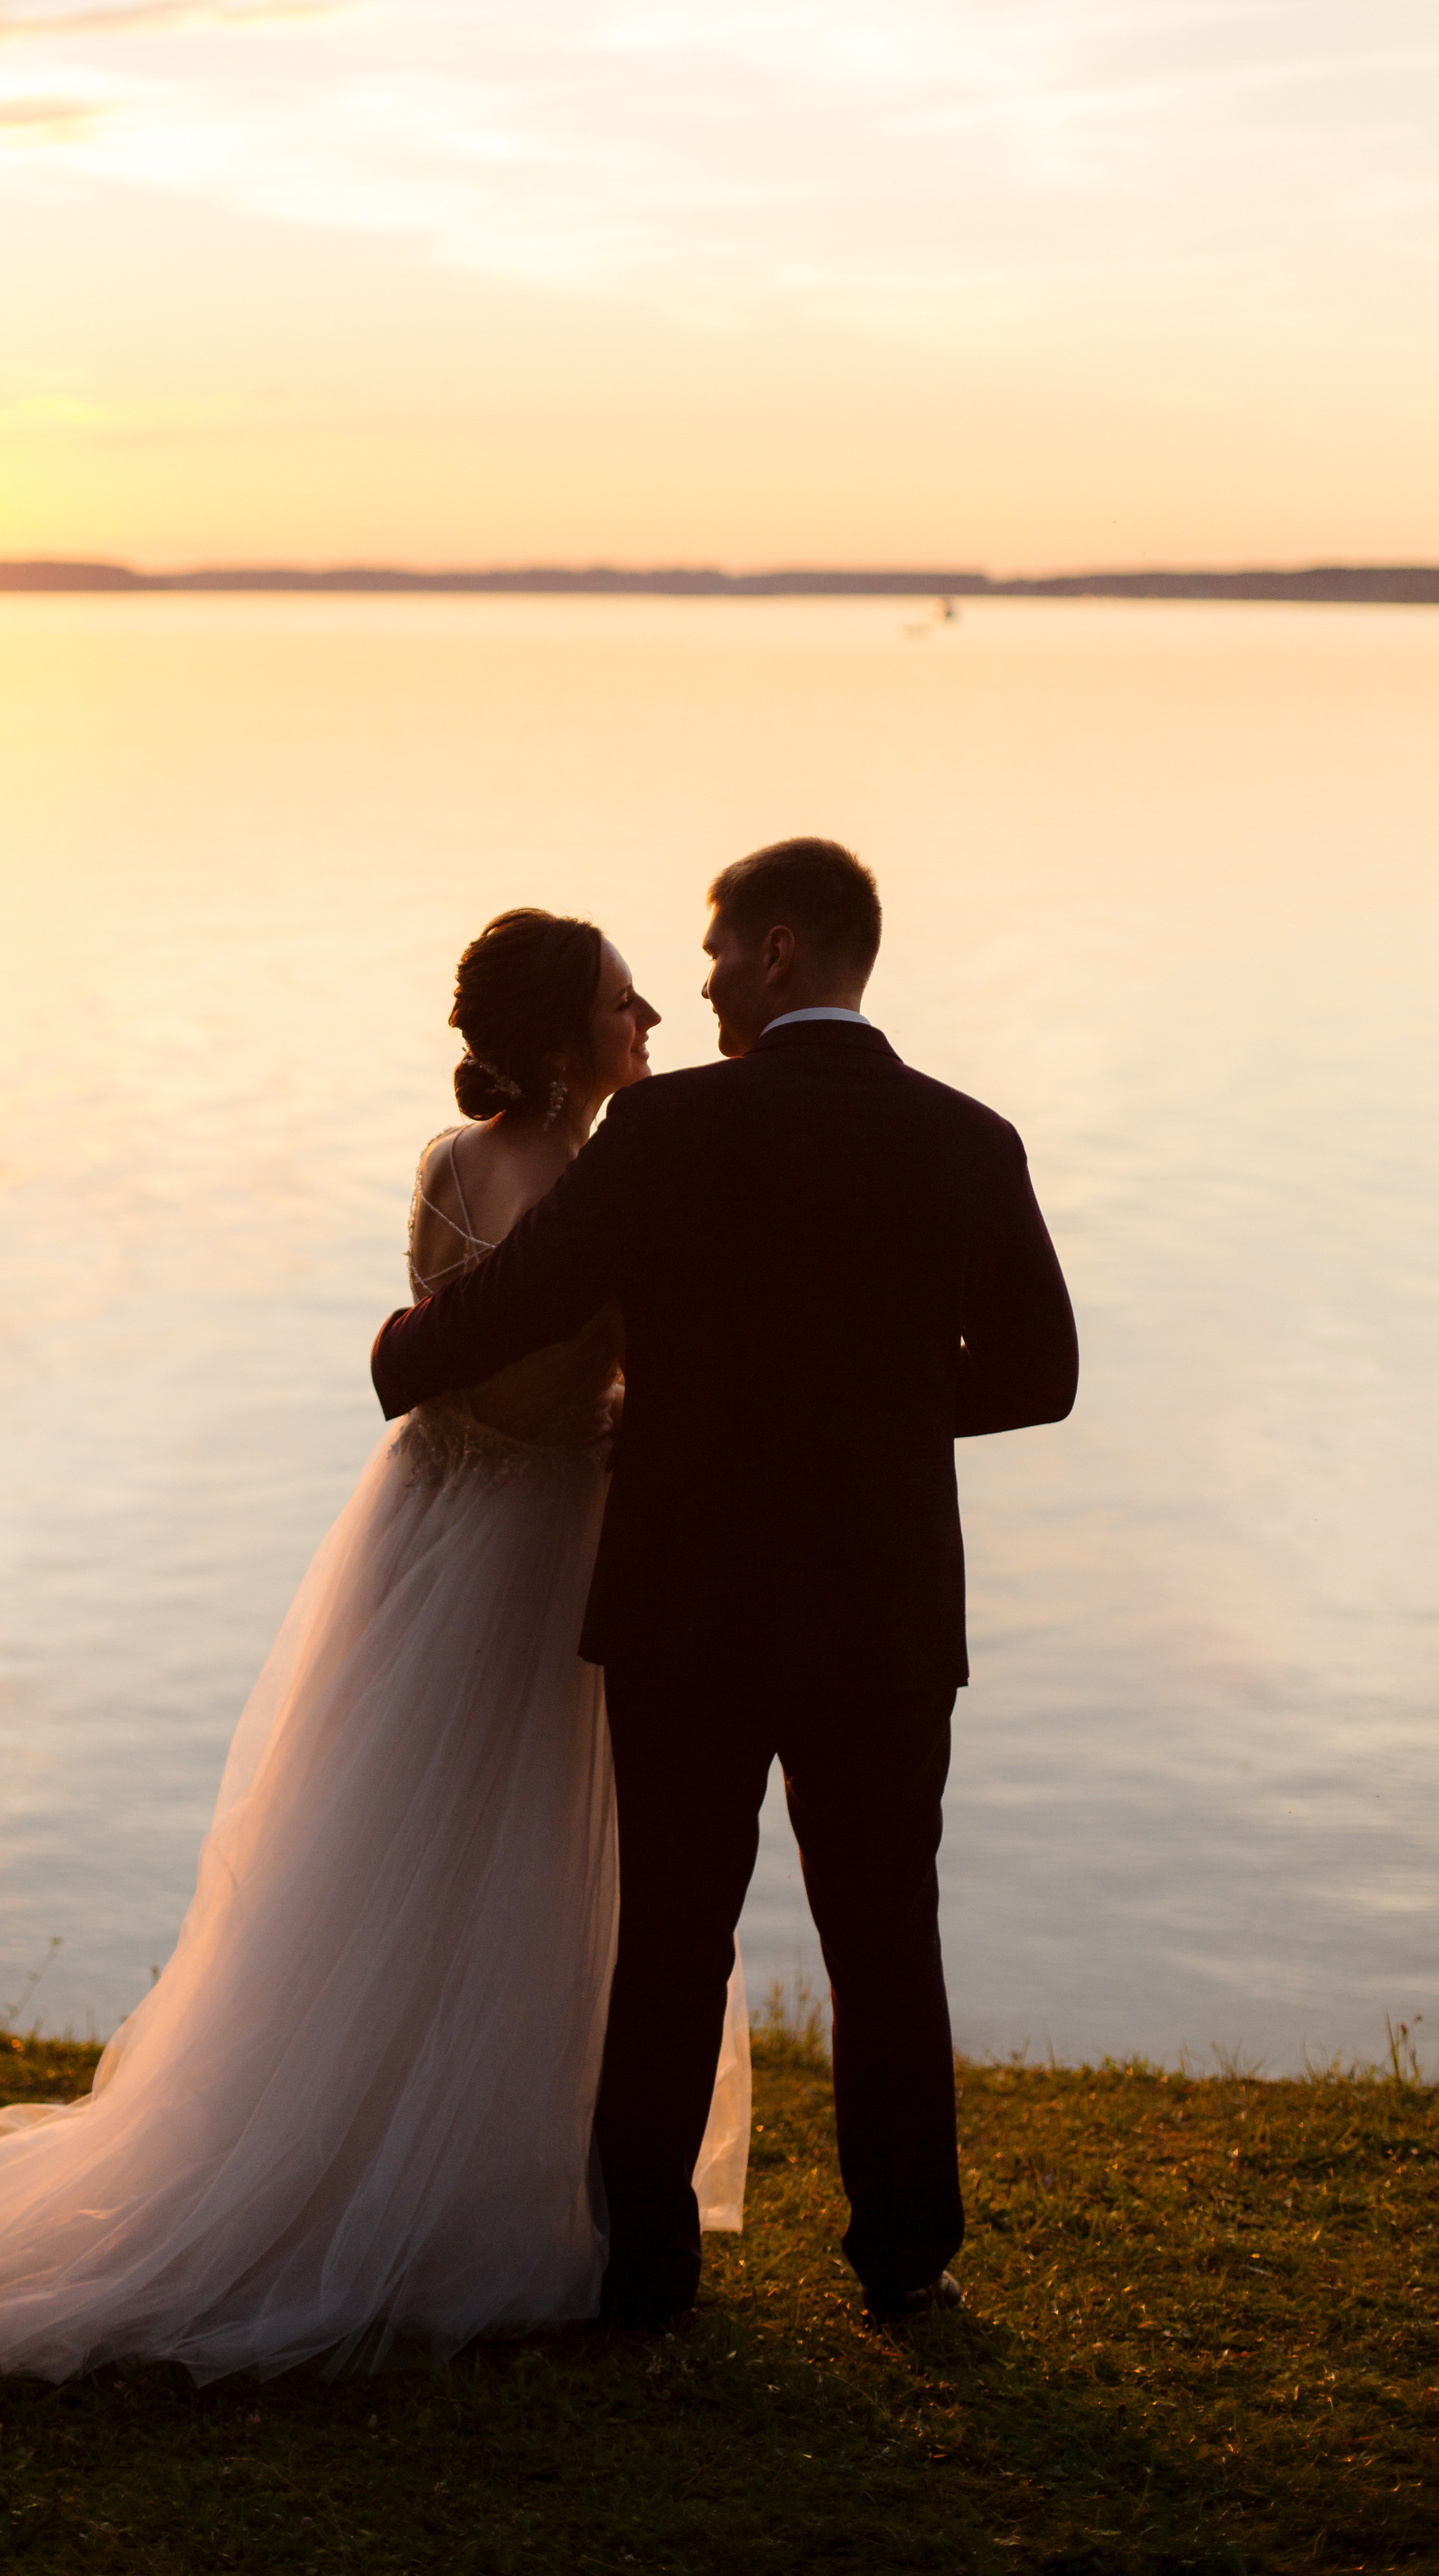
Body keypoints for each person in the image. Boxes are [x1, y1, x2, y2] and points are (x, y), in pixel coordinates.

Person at [0, 908, 750, 2397]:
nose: (650, 1012)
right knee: (531, 1860)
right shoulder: (607, 1185)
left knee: (385, 1856)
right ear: (556, 1040)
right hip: (543, 1552)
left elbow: (439, 1358)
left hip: (430, 1531)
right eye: (619, 1001)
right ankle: (490, 2195)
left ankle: (371, 2144)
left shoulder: (452, 1167)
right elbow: (570, 1368)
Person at [372, 837, 1078, 2330]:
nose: (693, 987)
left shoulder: (672, 1130)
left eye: (710, 955)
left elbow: (518, 1302)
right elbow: (1042, 1378)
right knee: (887, 1934)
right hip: (883, 1613)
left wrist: (400, 1356)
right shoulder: (972, 1139)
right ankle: (908, 2267)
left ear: (775, 953)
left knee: (673, 1933)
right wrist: (879, 1404)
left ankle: (647, 2274)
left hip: (687, 1595)